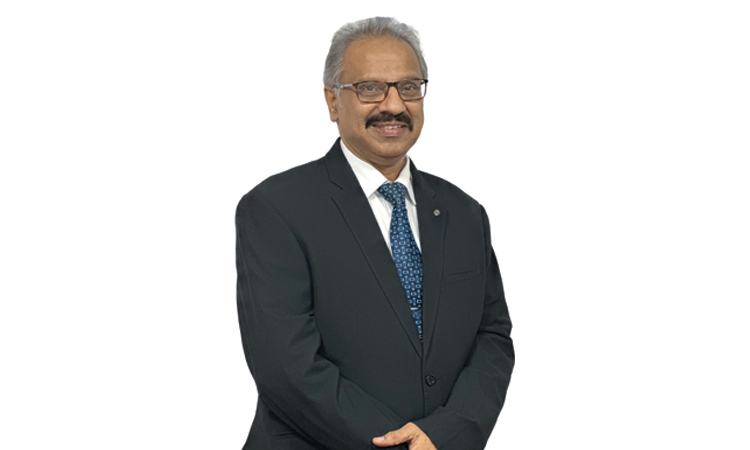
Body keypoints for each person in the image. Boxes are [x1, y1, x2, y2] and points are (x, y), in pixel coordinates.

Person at [235, 17, 514, 450]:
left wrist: (447, 433)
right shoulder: (276, 209)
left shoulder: (464, 214)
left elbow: (491, 337)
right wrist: (398, 446)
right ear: (332, 102)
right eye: (370, 88)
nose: (394, 105)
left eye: (409, 87)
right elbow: (285, 366)